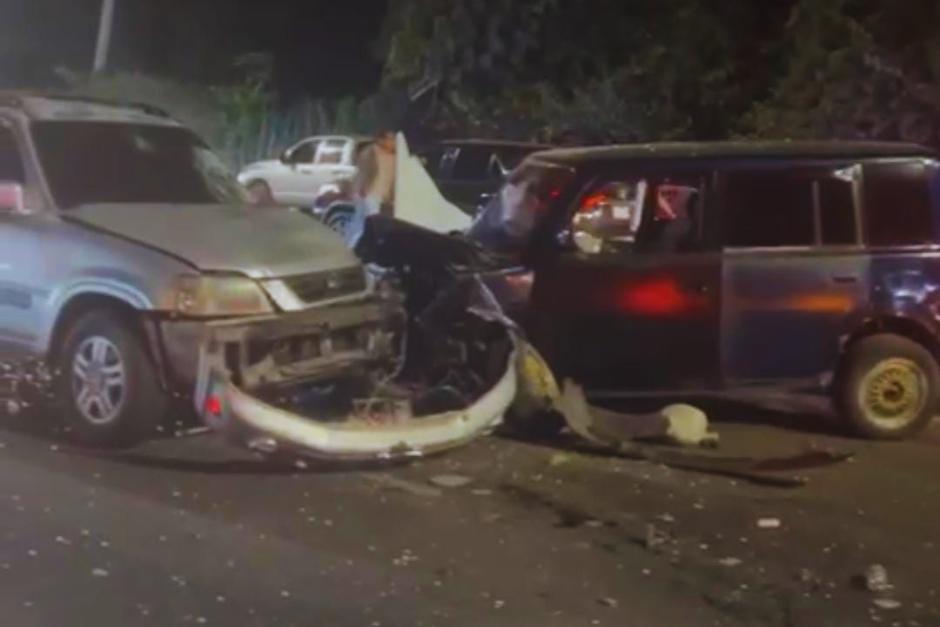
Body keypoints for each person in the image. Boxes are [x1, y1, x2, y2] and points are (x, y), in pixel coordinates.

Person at [346, 129, 397, 247]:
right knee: (366, 224)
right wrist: (360, 190)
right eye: (390, 139)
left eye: (394, 139)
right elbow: (362, 172)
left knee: (368, 225)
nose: (393, 142)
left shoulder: (396, 156)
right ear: (381, 140)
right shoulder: (370, 153)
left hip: (384, 197)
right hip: (370, 193)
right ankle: (353, 248)